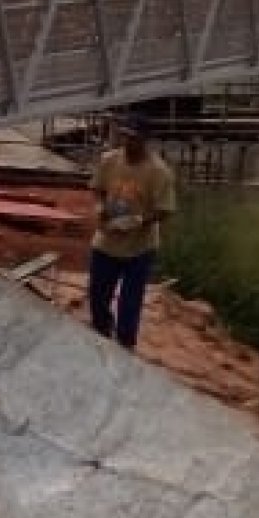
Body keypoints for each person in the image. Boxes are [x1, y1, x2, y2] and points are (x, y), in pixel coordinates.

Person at [87, 113, 176, 352]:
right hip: (106, 241)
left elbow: (165, 210)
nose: (128, 143)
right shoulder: (110, 160)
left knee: (129, 303)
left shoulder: (158, 172)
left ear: (145, 140)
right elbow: (97, 189)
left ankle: (125, 345)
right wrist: (100, 207)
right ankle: (101, 335)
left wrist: (139, 221)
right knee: (97, 296)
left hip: (139, 247)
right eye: (125, 136)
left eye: (134, 138)